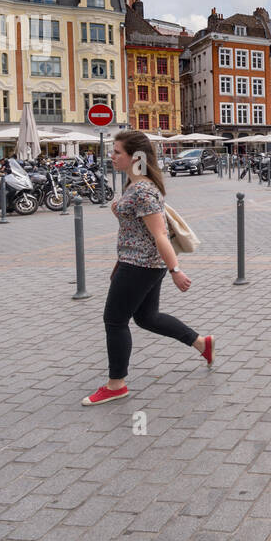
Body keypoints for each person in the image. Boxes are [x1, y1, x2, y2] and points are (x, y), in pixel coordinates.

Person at [83, 130, 211, 407]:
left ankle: (116, 384)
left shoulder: (142, 191)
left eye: (117, 152)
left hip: (140, 266)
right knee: (146, 317)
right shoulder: (135, 183)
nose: (112, 156)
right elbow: (138, 231)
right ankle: (201, 343)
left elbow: (160, 234)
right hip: (136, 263)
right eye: (113, 150)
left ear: (134, 156)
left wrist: (177, 271)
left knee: (115, 320)